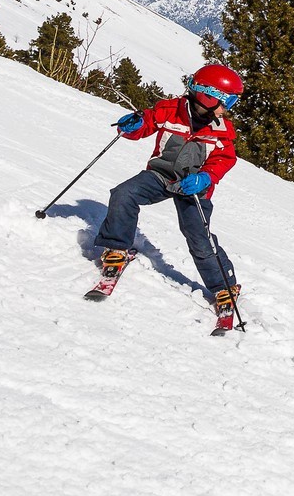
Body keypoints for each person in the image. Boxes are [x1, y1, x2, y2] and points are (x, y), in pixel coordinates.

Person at [91, 64, 243, 319]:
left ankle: (224, 287)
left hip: (194, 186)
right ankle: (117, 248)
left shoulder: (221, 129)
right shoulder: (169, 111)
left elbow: (225, 158)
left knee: (198, 235)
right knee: (123, 194)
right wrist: (133, 125)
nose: (226, 110)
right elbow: (145, 124)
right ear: (207, 96)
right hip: (160, 176)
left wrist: (206, 177)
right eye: (225, 102)